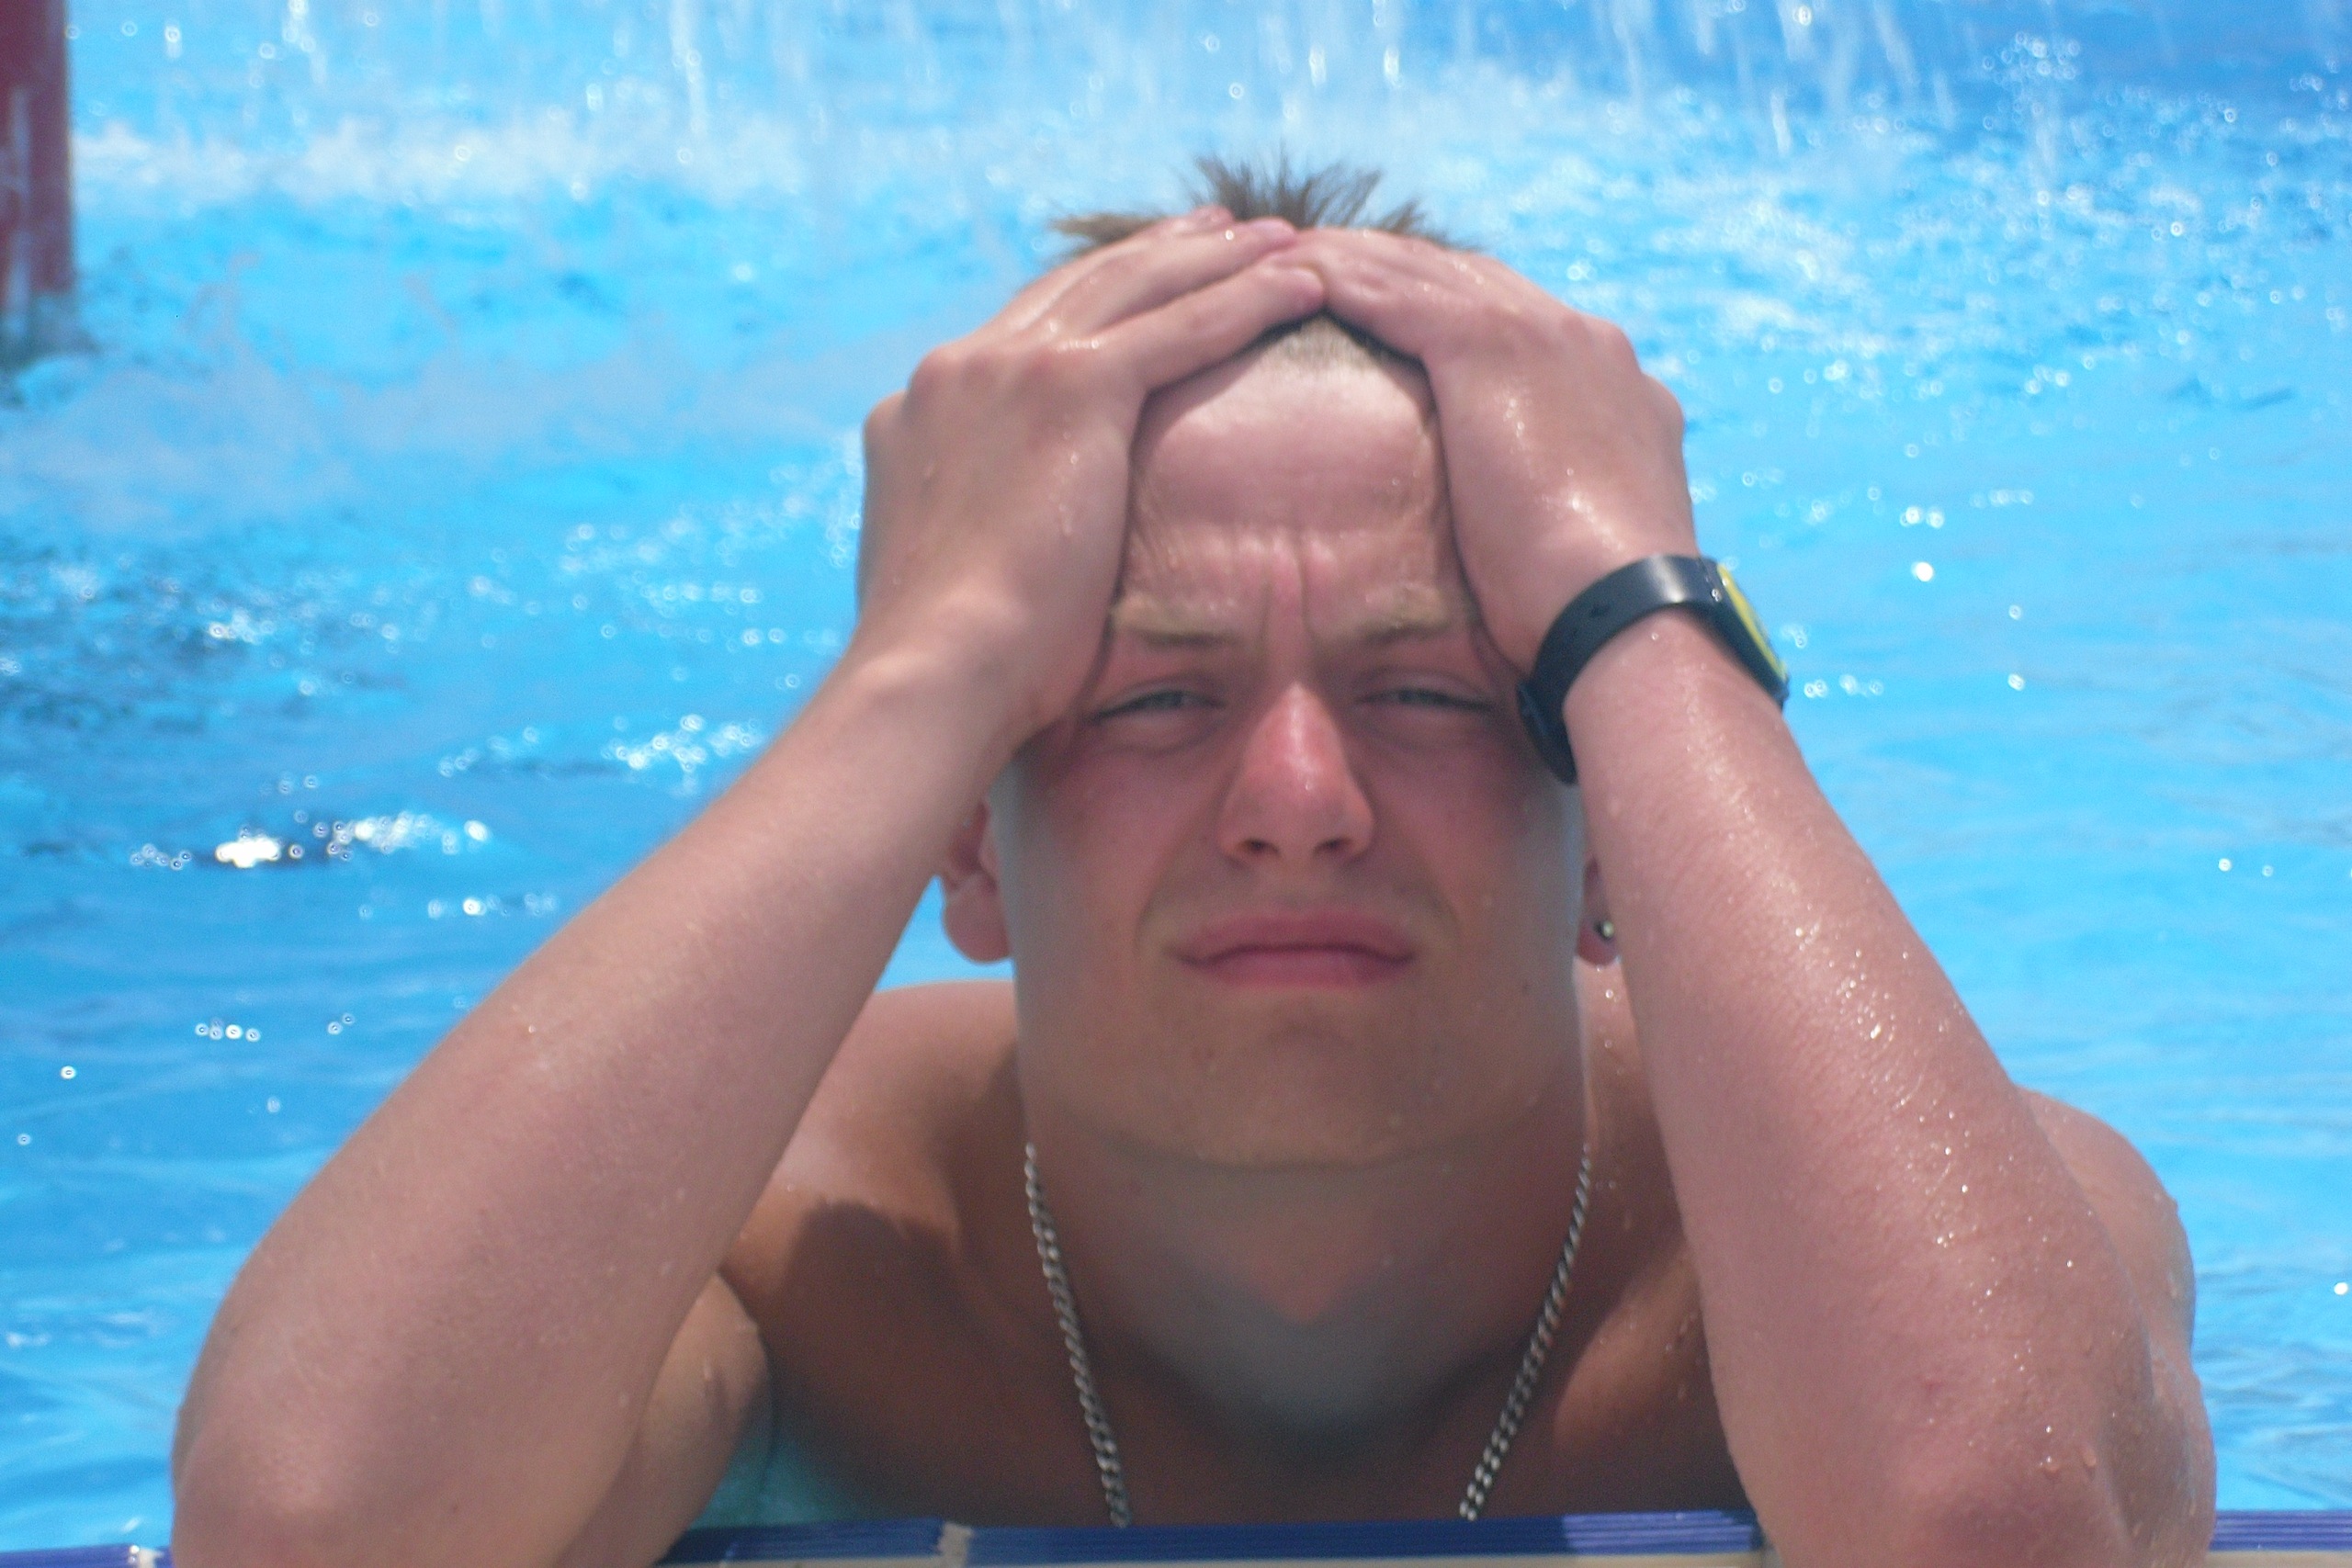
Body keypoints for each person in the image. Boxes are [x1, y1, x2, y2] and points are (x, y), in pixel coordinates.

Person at [169, 160, 2215, 1568]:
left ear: (1615, 822)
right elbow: (308, 1529)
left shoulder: (1917, 1235)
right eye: (1153, 699)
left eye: (1423, 690)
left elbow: (1996, 1524)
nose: (1297, 796)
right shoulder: (775, 1245)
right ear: (964, 832)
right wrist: (927, 662)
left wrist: (1635, 609)